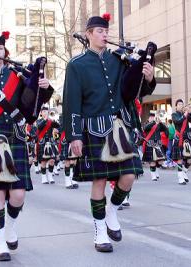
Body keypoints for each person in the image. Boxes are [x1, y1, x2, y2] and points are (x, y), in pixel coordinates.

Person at [62, 13, 155, 253]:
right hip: (93, 130)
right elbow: (72, 102)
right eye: (100, 32)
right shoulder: (76, 65)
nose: (104, 35)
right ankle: (100, 230)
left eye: (106, 32)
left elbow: (133, 92)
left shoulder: (119, 60)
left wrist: (149, 77)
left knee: (129, 176)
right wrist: (74, 136)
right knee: (99, 182)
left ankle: (112, 209)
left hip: (119, 128)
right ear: (89, 35)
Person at [0, 32, 53, 261]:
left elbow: (32, 101)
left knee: (18, 194)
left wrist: (44, 85)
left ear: (6, 53)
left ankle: (10, 226)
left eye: (1, 49)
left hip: (15, 138)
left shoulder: (18, 75)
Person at [171, 99, 191, 185]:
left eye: (182, 104)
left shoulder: (186, 113)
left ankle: (184, 172)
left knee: (190, 159)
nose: (181, 105)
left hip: (187, 138)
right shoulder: (174, 114)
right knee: (180, 159)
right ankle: (180, 178)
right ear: (176, 106)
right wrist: (185, 114)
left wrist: (189, 111)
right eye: (179, 104)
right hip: (179, 138)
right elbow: (178, 121)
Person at [36, 107, 60, 184]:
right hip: (42, 142)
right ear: (41, 113)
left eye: (46, 111)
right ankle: (44, 177)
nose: (45, 113)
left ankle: (50, 176)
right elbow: (39, 127)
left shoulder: (50, 121)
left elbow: (58, 126)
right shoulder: (39, 121)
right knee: (43, 161)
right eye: (44, 111)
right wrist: (45, 119)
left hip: (50, 142)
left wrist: (53, 119)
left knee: (52, 160)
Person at [142, 112, 168, 181]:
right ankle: (153, 175)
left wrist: (160, 122)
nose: (152, 118)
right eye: (151, 117)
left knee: (160, 161)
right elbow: (145, 128)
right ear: (148, 118)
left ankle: (156, 170)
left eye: (153, 117)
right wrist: (154, 122)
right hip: (150, 144)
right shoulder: (146, 124)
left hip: (158, 144)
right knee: (152, 161)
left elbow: (165, 129)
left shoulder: (158, 124)